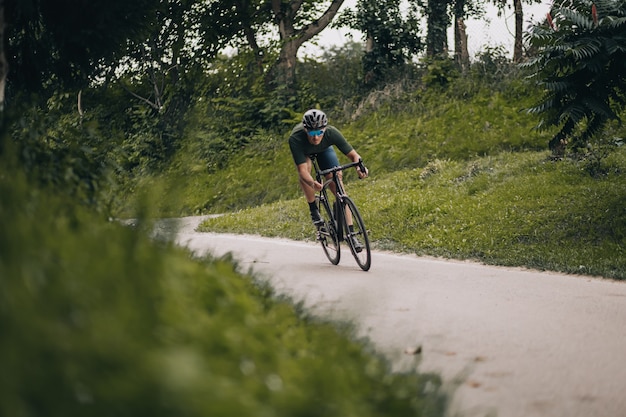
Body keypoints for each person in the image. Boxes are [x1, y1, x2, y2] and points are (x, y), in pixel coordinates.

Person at [288, 109, 368, 247]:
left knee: (337, 181)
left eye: (319, 132)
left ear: (325, 129)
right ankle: (313, 209)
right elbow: (302, 171)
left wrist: (359, 167)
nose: (316, 137)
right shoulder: (296, 138)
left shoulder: (331, 133)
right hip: (305, 152)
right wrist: (313, 183)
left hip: (324, 150)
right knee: (306, 170)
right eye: (312, 133)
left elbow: (354, 155)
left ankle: (351, 234)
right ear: (305, 130)